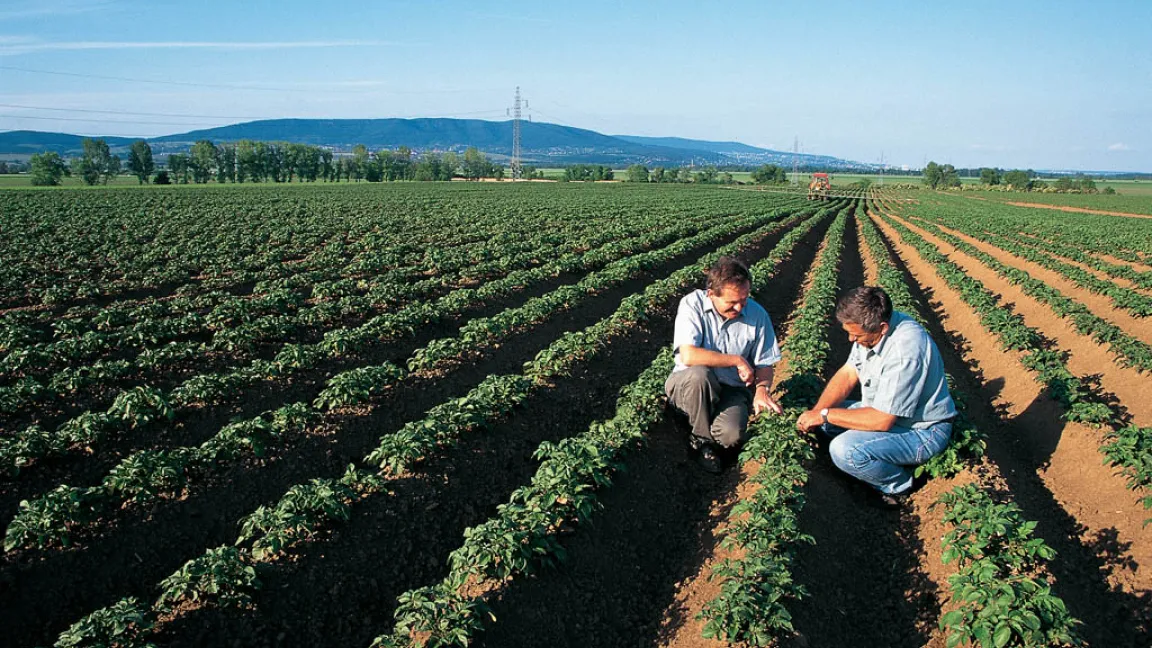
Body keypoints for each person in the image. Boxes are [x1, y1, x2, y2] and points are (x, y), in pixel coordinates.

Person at [796, 286, 956, 507]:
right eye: (848, 332)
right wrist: (817, 413)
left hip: (921, 430)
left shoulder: (905, 352)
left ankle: (901, 485)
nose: (851, 339)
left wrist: (825, 415)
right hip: (884, 412)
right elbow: (848, 373)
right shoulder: (870, 334)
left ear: (882, 328)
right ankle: (866, 466)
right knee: (825, 425)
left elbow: (882, 420)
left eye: (857, 335)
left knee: (845, 450)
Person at [666, 257, 783, 473]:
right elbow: (689, 356)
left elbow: (765, 363)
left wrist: (761, 390)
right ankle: (701, 441)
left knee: (732, 435)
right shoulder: (692, 305)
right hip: (690, 384)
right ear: (711, 294)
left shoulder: (757, 315)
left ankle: (714, 438)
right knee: (700, 375)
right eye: (732, 303)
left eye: (744, 299)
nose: (739, 307)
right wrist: (736, 359)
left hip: (731, 389)